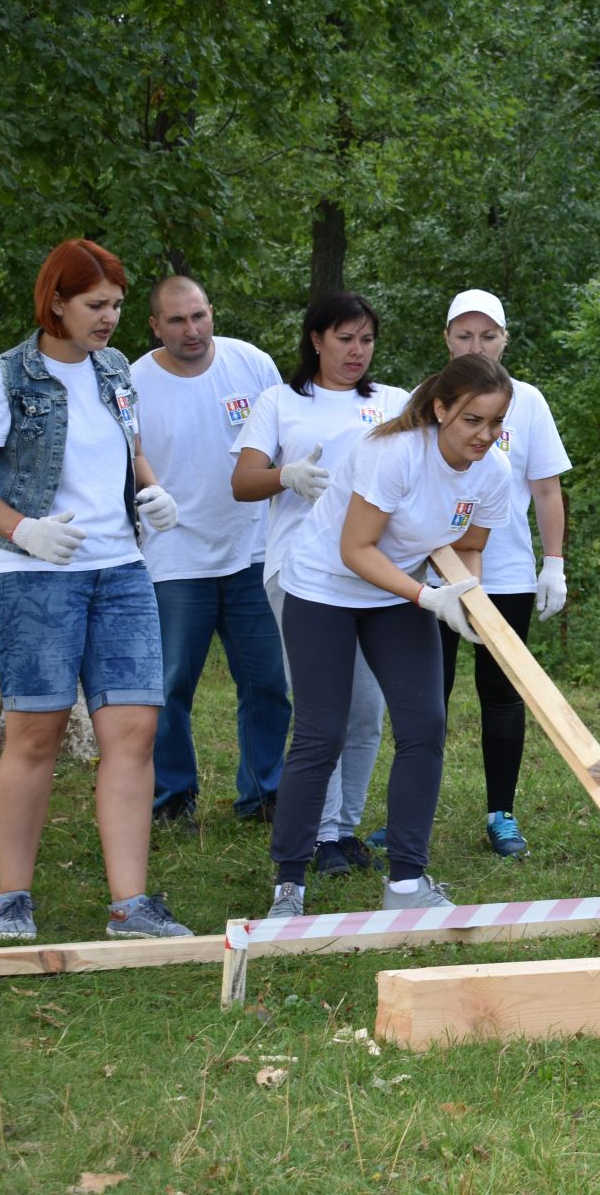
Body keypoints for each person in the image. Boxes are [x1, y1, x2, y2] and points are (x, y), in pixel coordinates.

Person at [0, 238, 193, 941]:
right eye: (95, 305)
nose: (110, 318)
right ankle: (13, 898)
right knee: (36, 735)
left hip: (120, 573)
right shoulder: (2, 377)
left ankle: (130, 906)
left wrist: (152, 491)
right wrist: (23, 531)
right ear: (55, 301)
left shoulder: (114, 368)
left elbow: (130, 448)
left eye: (115, 304)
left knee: (136, 732)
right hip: (33, 578)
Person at [264, 353, 513, 918]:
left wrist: (468, 599)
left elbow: (469, 546)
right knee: (321, 733)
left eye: (496, 423)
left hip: (396, 595)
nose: (485, 435)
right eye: (473, 420)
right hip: (324, 588)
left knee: (424, 728)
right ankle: (289, 885)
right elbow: (355, 550)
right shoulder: (393, 453)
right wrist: (428, 598)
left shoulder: (492, 473)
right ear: (442, 408)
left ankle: (405, 884)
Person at [231, 292, 410, 877]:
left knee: (366, 711)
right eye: (343, 340)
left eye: (366, 340)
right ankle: (318, 835)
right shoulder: (280, 402)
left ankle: (345, 829)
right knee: (320, 712)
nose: (356, 352)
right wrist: (286, 475)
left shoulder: (394, 403)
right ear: (315, 340)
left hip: (375, 574)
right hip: (302, 572)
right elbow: (242, 482)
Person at [130, 276, 290, 826]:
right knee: (171, 686)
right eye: (176, 320)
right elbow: (126, 454)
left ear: (212, 313)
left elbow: (285, 437)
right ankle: (173, 798)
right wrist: (144, 493)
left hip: (253, 549)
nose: (191, 330)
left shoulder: (252, 364)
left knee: (268, 681)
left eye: (198, 316)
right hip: (174, 558)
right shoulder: (133, 381)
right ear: (155, 326)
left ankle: (265, 793)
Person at [425, 290, 571, 859]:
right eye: (464, 335)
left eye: (487, 336)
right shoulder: (428, 398)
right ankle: (415, 811)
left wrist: (552, 562)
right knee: (427, 696)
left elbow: (545, 487)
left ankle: (501, 813)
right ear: (447, 339)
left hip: (505, 572)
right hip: (434, 574)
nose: (476, 345)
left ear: (505, 339)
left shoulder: (527, 402)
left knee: (502, 695)